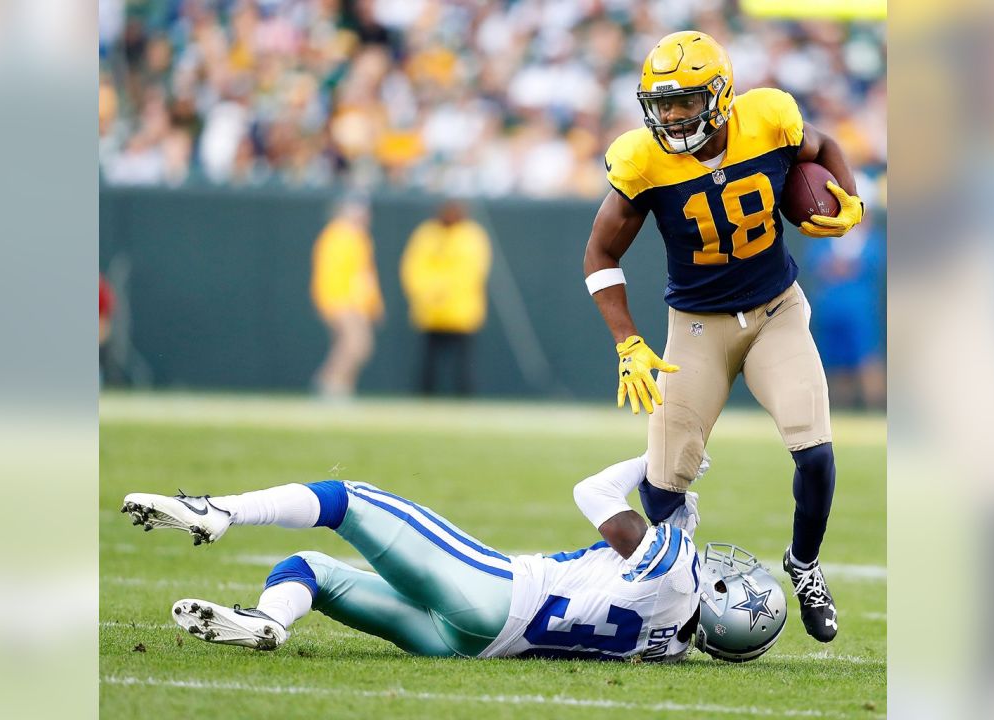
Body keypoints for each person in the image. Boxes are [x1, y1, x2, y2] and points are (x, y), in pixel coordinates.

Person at [581, 31, 866, 643]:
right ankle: (681, 584)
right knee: (661, 490)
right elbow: (601, 252)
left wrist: (851, 199)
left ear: (720, 94)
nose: (673, 115)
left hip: (775, 312)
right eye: (664, 103)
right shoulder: (642, 160)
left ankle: (805, 563)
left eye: (686, 101)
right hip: (696, 325)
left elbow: (827, 145)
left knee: (815, 453)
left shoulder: (769, 117)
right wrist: (627, 340)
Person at [119, 455, 783, 662]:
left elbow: (593, 493)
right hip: (469, 646)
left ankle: (220, 511)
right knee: (310, 570)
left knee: (347, 497)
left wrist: (658, 458)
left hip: (493, 592)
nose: (732, 567)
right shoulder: (671, 643)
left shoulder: (676, 569)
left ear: (723, 601)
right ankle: (270, 622)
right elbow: (660, 549)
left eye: (739, 581)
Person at [399, 200, 492, 396]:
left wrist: (447, 290)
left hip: (461, 311)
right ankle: (424, 399)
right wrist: (430, 292)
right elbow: (413, 268)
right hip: (431, 311)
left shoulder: (471, 236)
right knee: (429, 361)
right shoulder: (426, 234)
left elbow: (474, 271)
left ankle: (465, 399)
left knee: (464, 363)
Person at [804, 216, 885, 410]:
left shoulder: (872, 241)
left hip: (860, 312)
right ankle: (842, 410)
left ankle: (877, 409)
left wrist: (846, 266)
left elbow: (873, 262)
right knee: (837, 365)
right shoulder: (825, 238)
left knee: (867, 360)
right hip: (831, 310)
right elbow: (815, 263)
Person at [310, 198, 384, 399]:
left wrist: (372, 304)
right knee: (356, 343)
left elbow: (365, 275)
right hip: (341, 300)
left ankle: (341, 386)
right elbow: (332, 274)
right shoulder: (337, 236)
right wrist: (337, 301)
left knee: (354, 345)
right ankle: (330, 383)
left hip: (354, 302)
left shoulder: (359, 238)